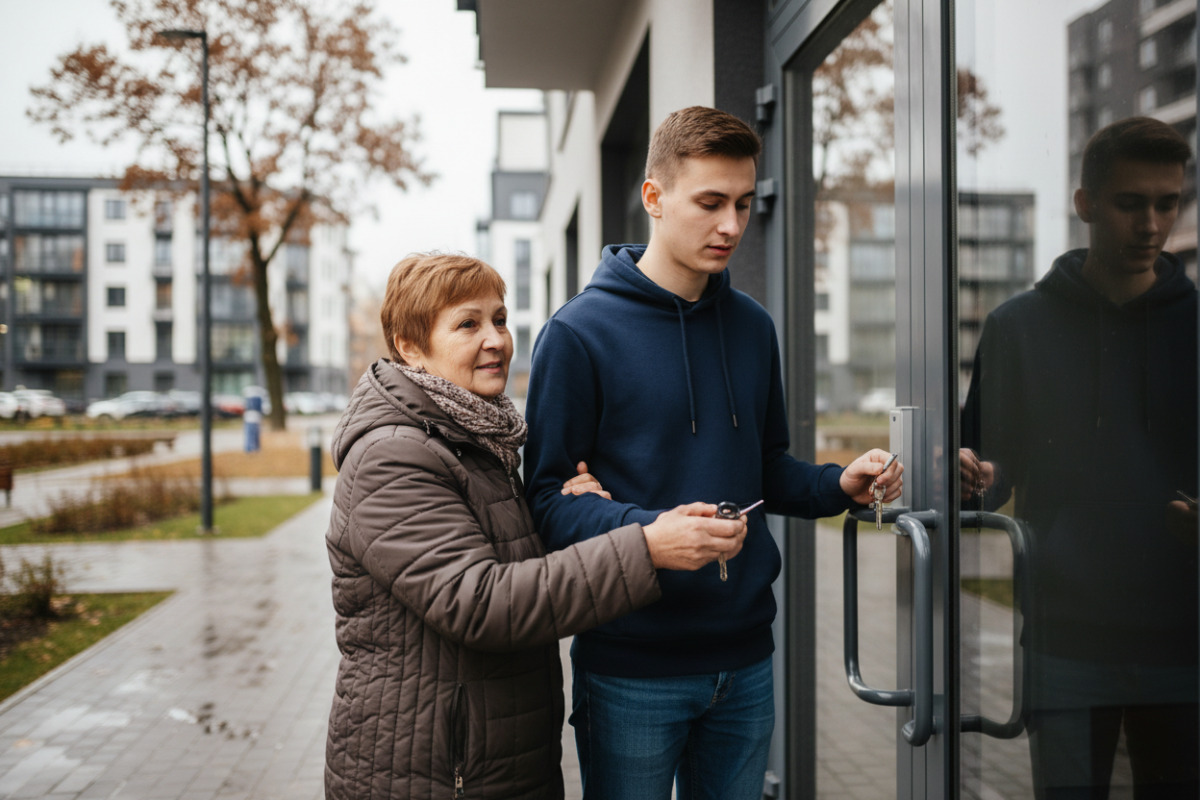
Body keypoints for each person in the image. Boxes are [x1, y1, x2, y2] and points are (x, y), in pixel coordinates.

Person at [523, 105, 904, 800]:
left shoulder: (754, 328)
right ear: (654, 197)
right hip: (630, 665)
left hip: (746, 663)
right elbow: (545, 505)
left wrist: (837, 484)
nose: (731, 225)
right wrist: (650, 536)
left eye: (743, 203)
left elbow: (769, 470)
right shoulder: (578, 335)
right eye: (710, 203)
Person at [323, 252, 749, 800]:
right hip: (432, 773)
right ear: (410, 347)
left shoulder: (480, 441)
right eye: (467, 324)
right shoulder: (393, 457)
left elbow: (515, 556)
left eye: (499, 319)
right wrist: (645, 547)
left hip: (491, 758)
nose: (496, 339)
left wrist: (583, 506)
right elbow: (483, 602)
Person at [960, 116, 1198, 798]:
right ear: (1087, 204)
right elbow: (991, 476)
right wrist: (976, 475)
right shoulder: (1019, 328)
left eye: (1167, 203)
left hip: (1186, 639)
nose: (1151, 223)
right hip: (1066, 635)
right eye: (1131, 203)